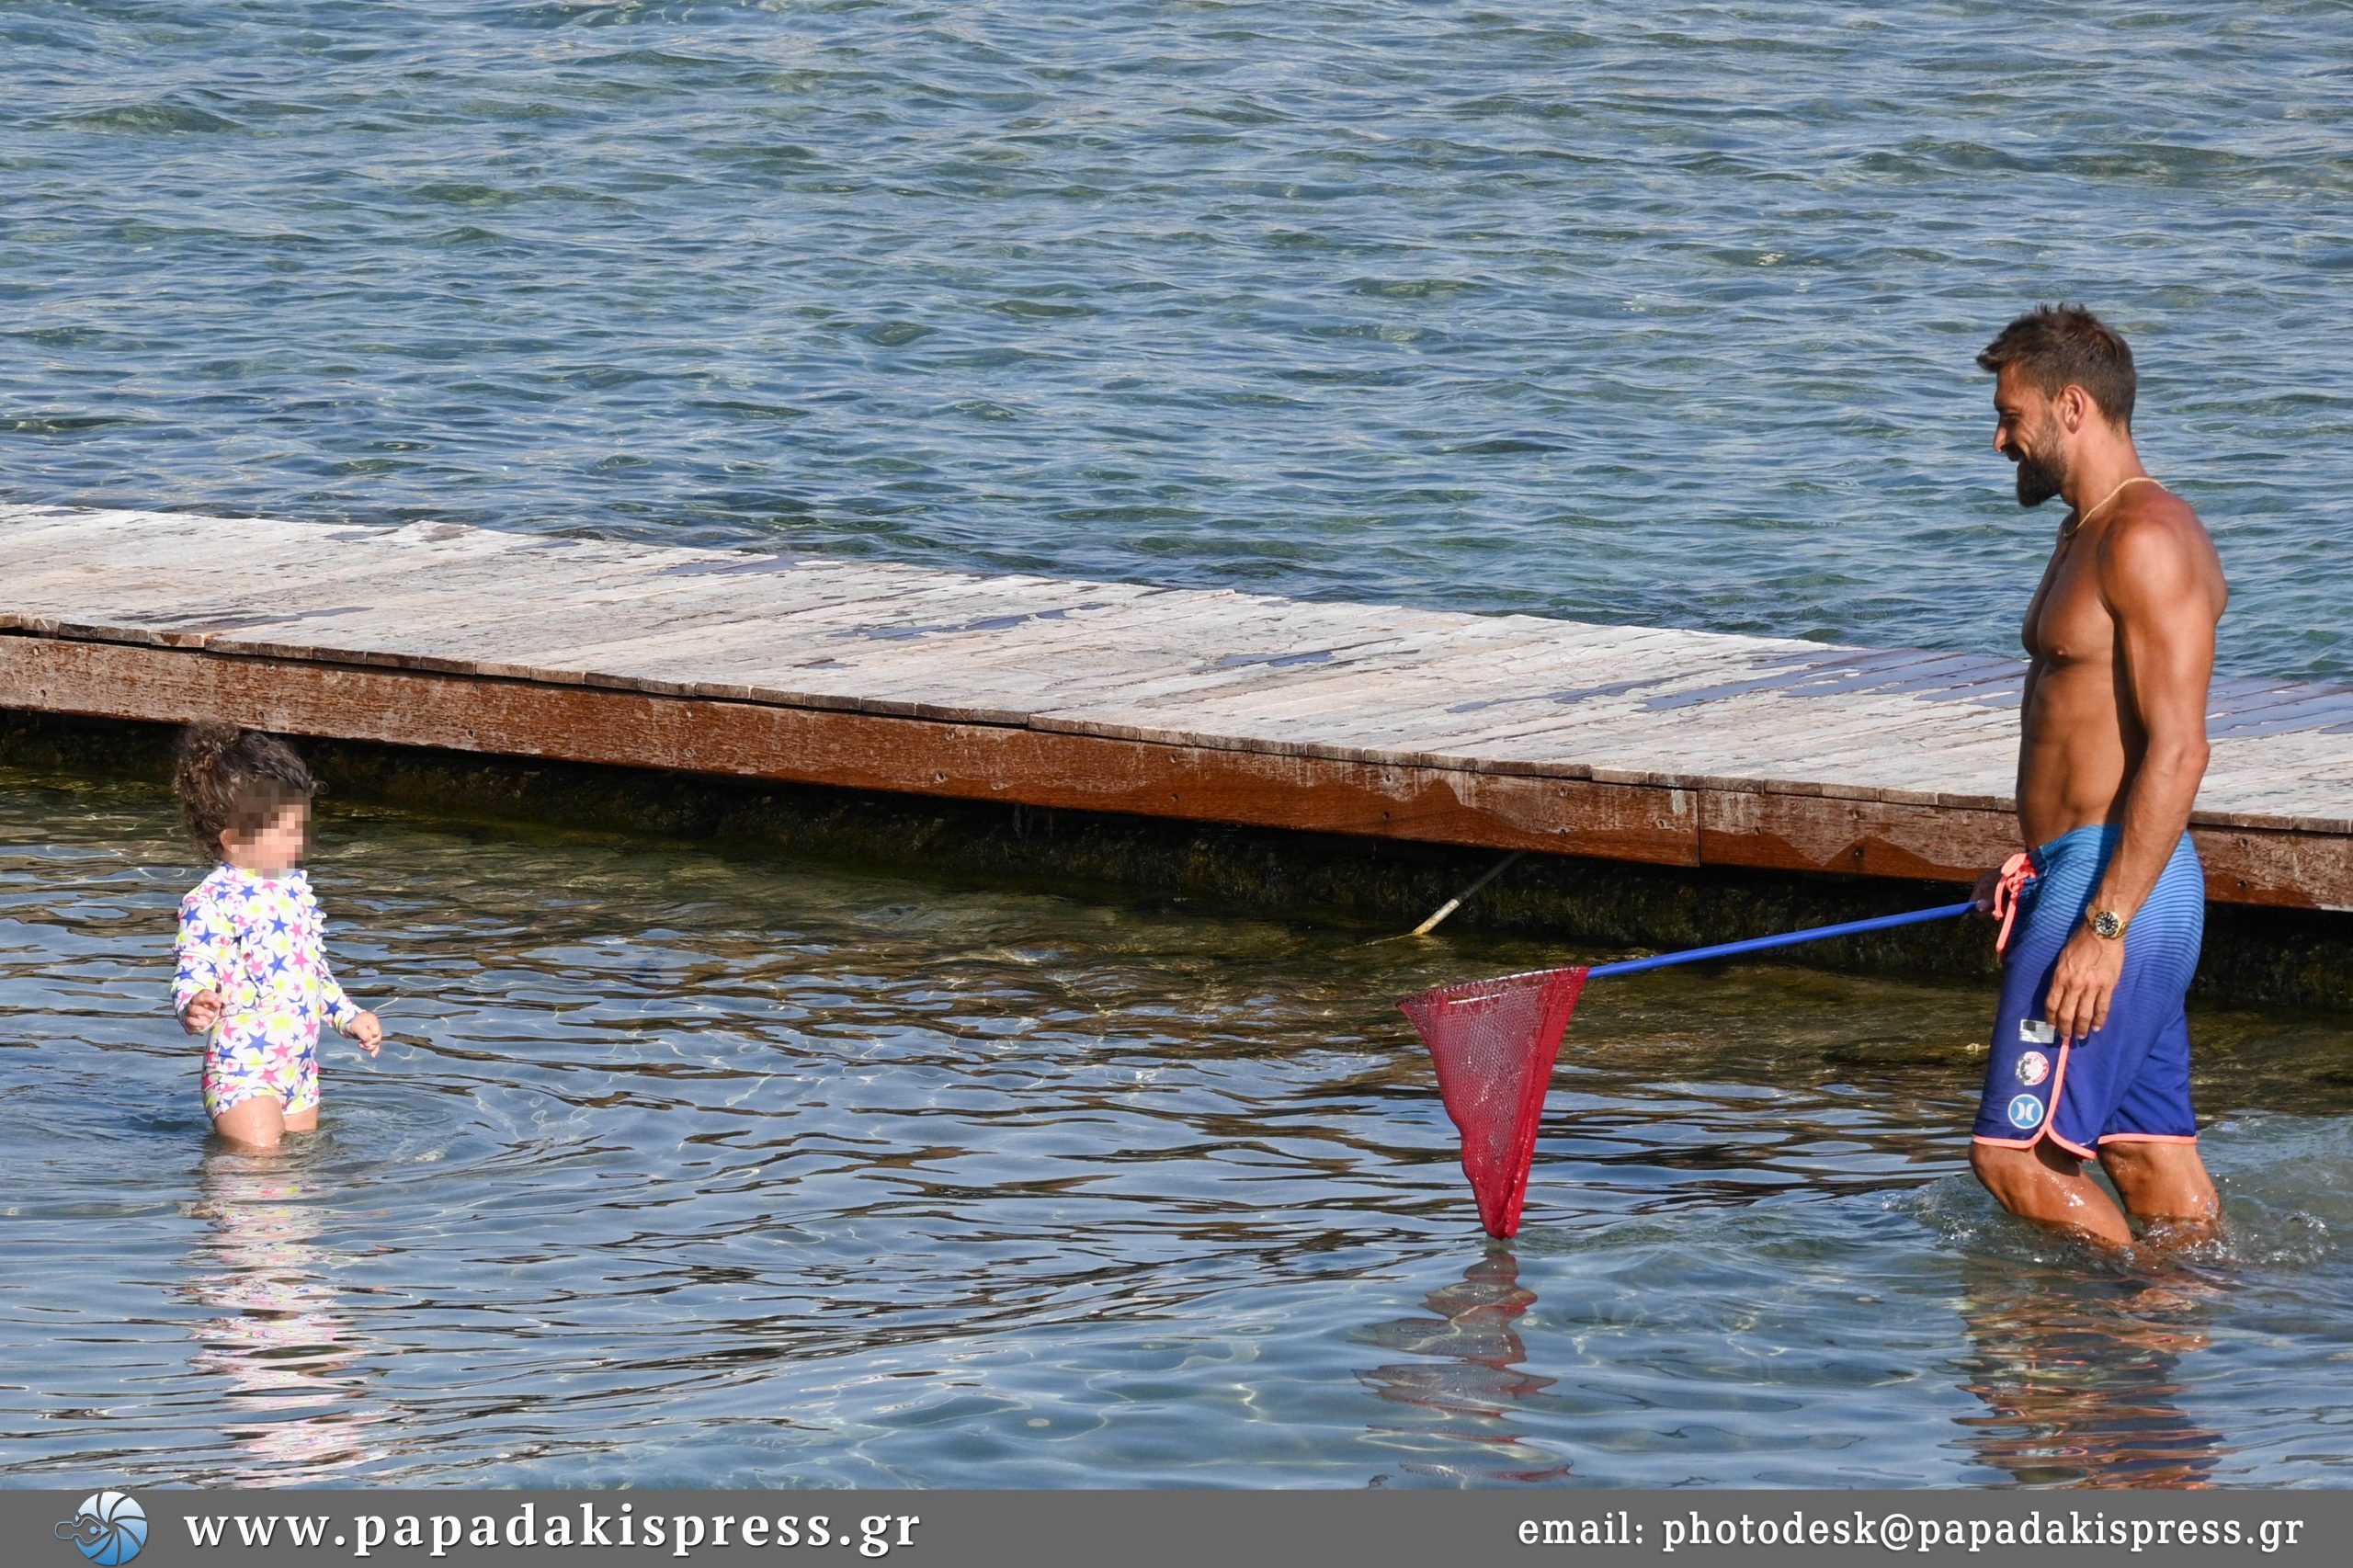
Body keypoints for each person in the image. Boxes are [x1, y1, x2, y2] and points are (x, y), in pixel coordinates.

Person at [1965, 305, 2226, 1248]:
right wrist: (2037, 863)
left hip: (2120, 890)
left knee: (2015, 1160)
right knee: (2144, 1156)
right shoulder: (2086, 530)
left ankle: (2097, 1357)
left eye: (2012, 416)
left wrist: (2100, 925)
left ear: (2071, 405)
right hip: (2082, 870)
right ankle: (2179, 1341)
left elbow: (2180, 748)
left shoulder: (2147, 538)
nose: (1999, 440)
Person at [171, 723, 382, 1148]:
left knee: (298, 1175)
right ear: (232, 839)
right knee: (255, 1167)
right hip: (242, 1068)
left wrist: (348, 1015)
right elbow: (193, 968)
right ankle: (216, 1205)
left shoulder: (294, 890)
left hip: (299, 1072)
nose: (299, 842)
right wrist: (193, 1003)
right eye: (284, 833)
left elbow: (312, 973)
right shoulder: (211, 899)